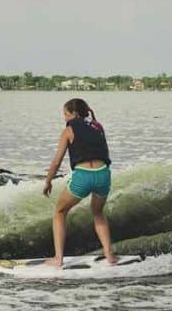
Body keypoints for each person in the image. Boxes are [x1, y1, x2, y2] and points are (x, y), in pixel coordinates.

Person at [42, 98, 117, 267]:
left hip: (84, 176)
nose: (64, 118)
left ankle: (58, 258)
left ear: (73, 114)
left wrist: (48, 182)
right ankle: (109, 255)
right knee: (98, 213)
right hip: (103, 174)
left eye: (65, 114)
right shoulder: (98, 126)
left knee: (60, 212)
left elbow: (56, 162)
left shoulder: (68, 130)